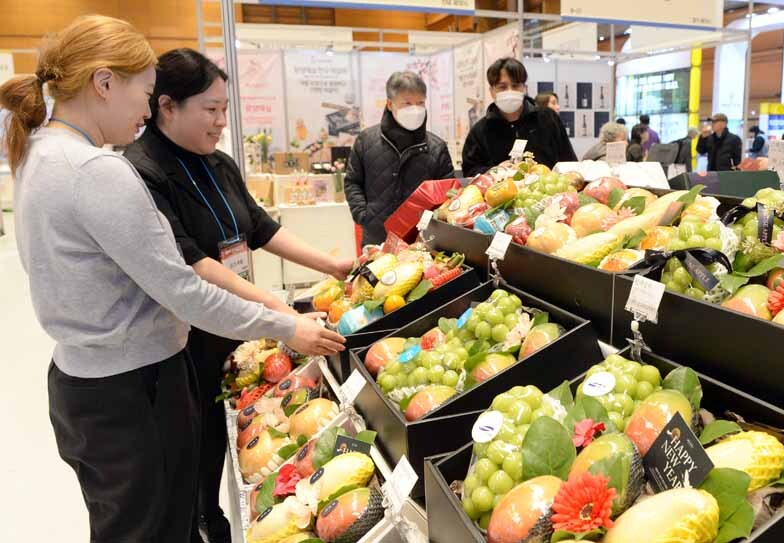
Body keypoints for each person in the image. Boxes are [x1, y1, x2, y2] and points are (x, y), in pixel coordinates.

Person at [0, 15, 344, 543]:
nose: (145, 111)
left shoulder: (38, 152)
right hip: (137, 388)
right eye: (144, 94)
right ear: (104, 83)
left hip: (84, 384)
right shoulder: (99, 171)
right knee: (160, 526)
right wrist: (284, 324)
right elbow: (184, 289)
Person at [123, 48, 354, 543]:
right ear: (167, 106)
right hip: (188, 337)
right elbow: (193, 263)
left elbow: (261, 228)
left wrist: (332, 265)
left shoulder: (219, 163)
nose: (221, 121)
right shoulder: (142, 171)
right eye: (210, 109)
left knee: (241, 437)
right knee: (198, 451)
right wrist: (277, 309)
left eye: (225, 108)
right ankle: (206, 523)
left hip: (241, 327)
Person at [345, 71, 455, 246]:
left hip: (421, 240)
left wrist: (434, 224)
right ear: (390, 104)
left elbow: (447, 193)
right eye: (407, 103)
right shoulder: (366, 141)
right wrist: (363, 215)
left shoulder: (437, 147)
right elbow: (353, 181)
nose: (415, 109)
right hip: (376, 237)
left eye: (420, 103)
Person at [462, 58, 576, 176]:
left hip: (548, 186)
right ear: (492, 91)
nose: (510, 91)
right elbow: (470, 172)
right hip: (502, 187)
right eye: (502, 87)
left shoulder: (548, 119)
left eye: (515, 86)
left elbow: (569, 162)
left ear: (524, 88)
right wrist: (495, 171)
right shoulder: (480, 131)